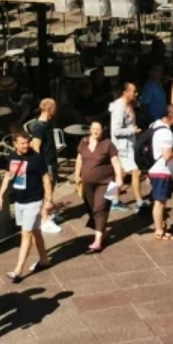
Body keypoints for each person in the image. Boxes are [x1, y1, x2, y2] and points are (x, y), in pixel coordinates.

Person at [0, 130, 54, 284]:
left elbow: (46, 179)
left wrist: (48, 199)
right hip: (19, 201)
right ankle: (44, 259)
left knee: (26, 234)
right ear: (15, 144)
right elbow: (8, 176)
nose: (26, 146)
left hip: (34, 201)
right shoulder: (11, 157)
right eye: (22, 143)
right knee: (35, 231)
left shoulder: (36, 158)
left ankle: (18, 270)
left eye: (27, 142)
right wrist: (0, 195)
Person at [73, 121, 124, 252]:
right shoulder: (84, 142)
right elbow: (79, 159)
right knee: (91, 208)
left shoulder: (108, 144)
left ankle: (97, 241)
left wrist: (119, 178)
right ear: (90, 129)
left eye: (98, 129)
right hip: (87, 183)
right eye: (94, 129)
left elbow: (116, 162)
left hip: (108, 183)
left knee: (101, 208)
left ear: (103, 130)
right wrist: (77, 174)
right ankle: (102, 231)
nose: (96, 131)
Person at [28, 99, 62, 234]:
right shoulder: (39, 127)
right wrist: (40, 167)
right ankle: (45, 220)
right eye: (55, 107)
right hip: (45, 164)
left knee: (51, 189)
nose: (56, 110)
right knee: (46, 192)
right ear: (49, 109)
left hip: (51, 161)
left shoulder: (48, 123)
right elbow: (35, 147)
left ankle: (46, 215)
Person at [109, 83, 143, 211]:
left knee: (120, 174)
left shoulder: (128, 105)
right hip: (122, 147)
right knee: (136, 172)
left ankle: (111, 200)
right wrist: (132, 131)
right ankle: (139, 202)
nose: (136, 94)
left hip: (128, 145)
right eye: (134, 91)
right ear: (125, 92)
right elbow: (116, 131)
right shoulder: (119, 108)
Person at [148, 106, 173, 241]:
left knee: (160, 201)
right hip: (162, 170)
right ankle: (159, 230)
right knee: (159, 202)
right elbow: (167, 155)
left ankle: (161, 225)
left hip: (154, 168)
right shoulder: (166, 133)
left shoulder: (154, 125)